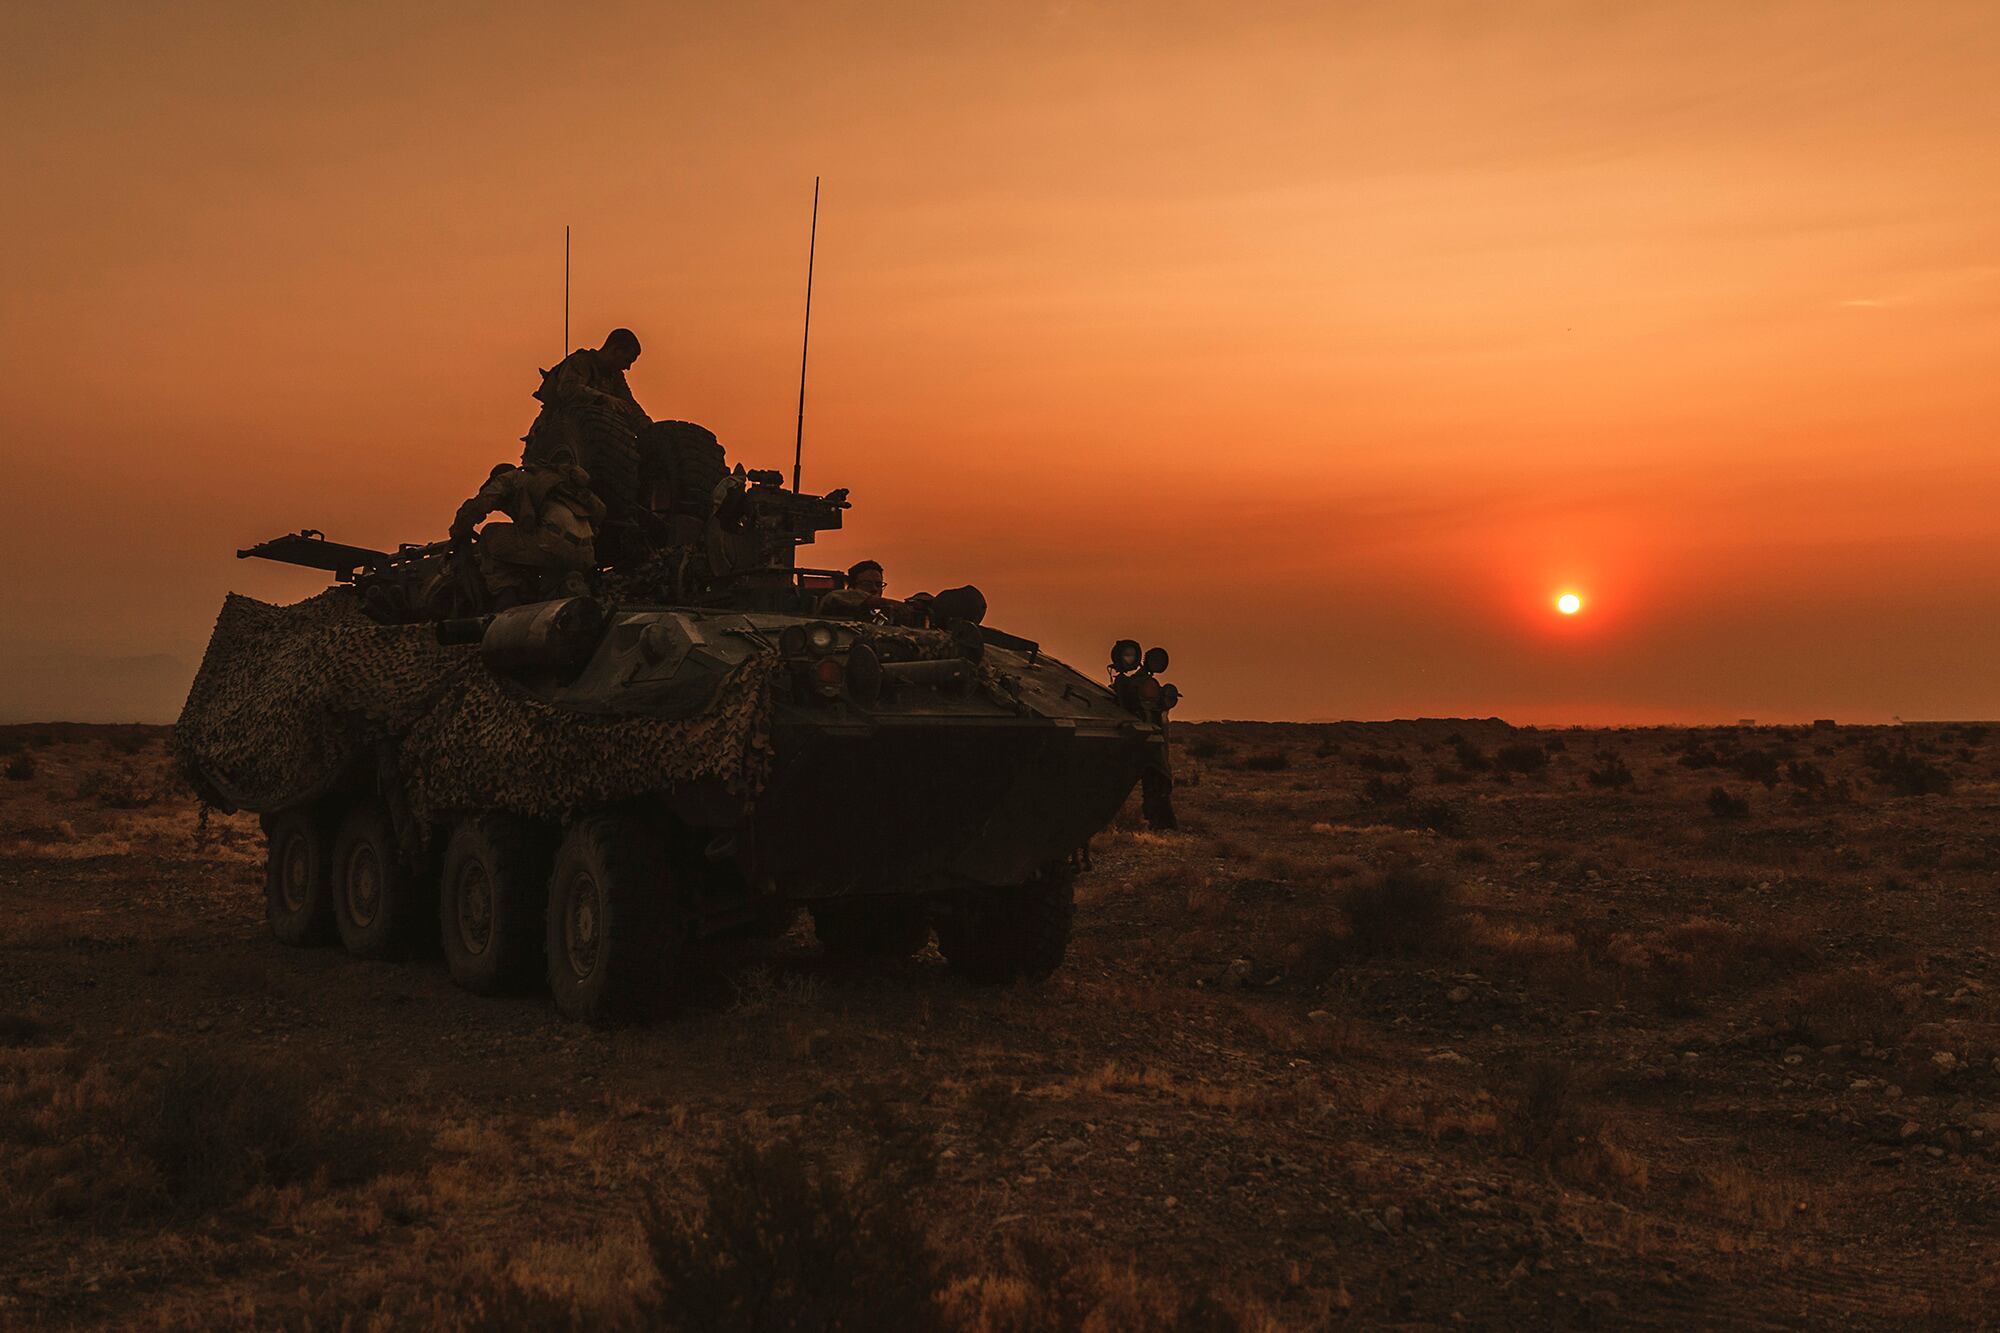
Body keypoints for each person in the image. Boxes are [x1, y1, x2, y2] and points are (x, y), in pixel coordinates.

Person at [447, 462, 607, 609]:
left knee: (489, 535)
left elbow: (482, 503)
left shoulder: (510, 478)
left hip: (553, 543)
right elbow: (600, 512)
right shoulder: (552, 483)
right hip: (586, 552)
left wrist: (458, 530)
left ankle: (505, 598)